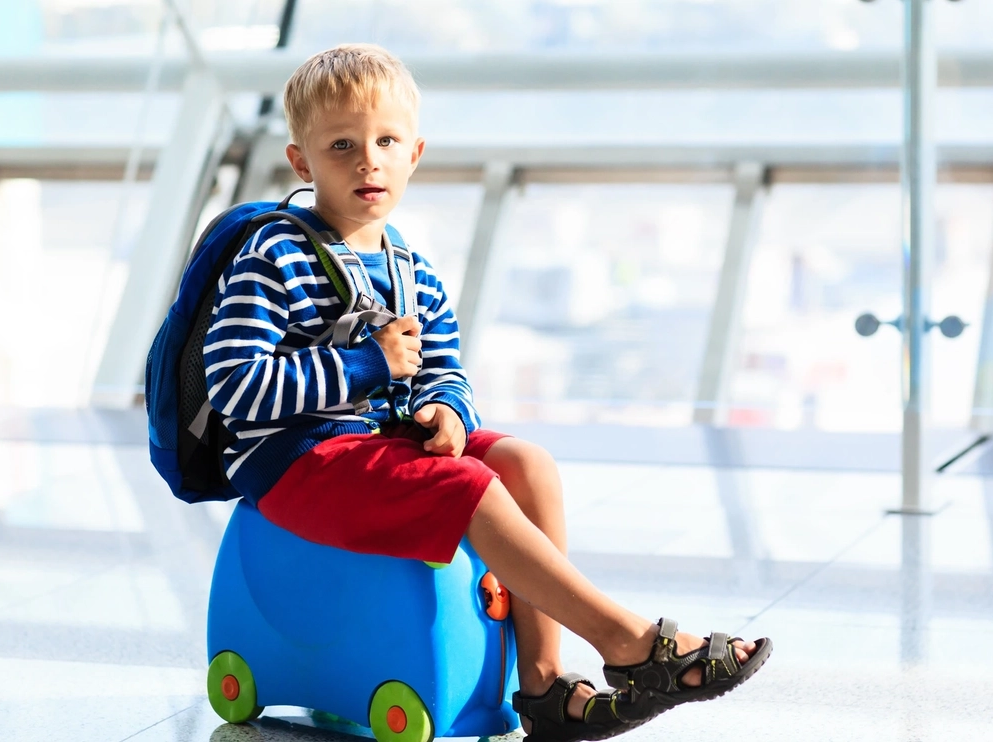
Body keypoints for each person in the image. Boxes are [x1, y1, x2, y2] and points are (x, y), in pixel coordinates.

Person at [201, 43, 771, 742]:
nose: (367, 161)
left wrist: (446, 408)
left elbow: (444, 367)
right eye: (342, 144)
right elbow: (234, 384)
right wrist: (364, 366)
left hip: (380, 441)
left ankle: (543, 683)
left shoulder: (412, 268)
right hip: (296, 458)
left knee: (526, 464)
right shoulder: (274, 258)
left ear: (414, 153)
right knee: (466, 488)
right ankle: (627, 640)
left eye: (385, 142)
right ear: (301, 162)